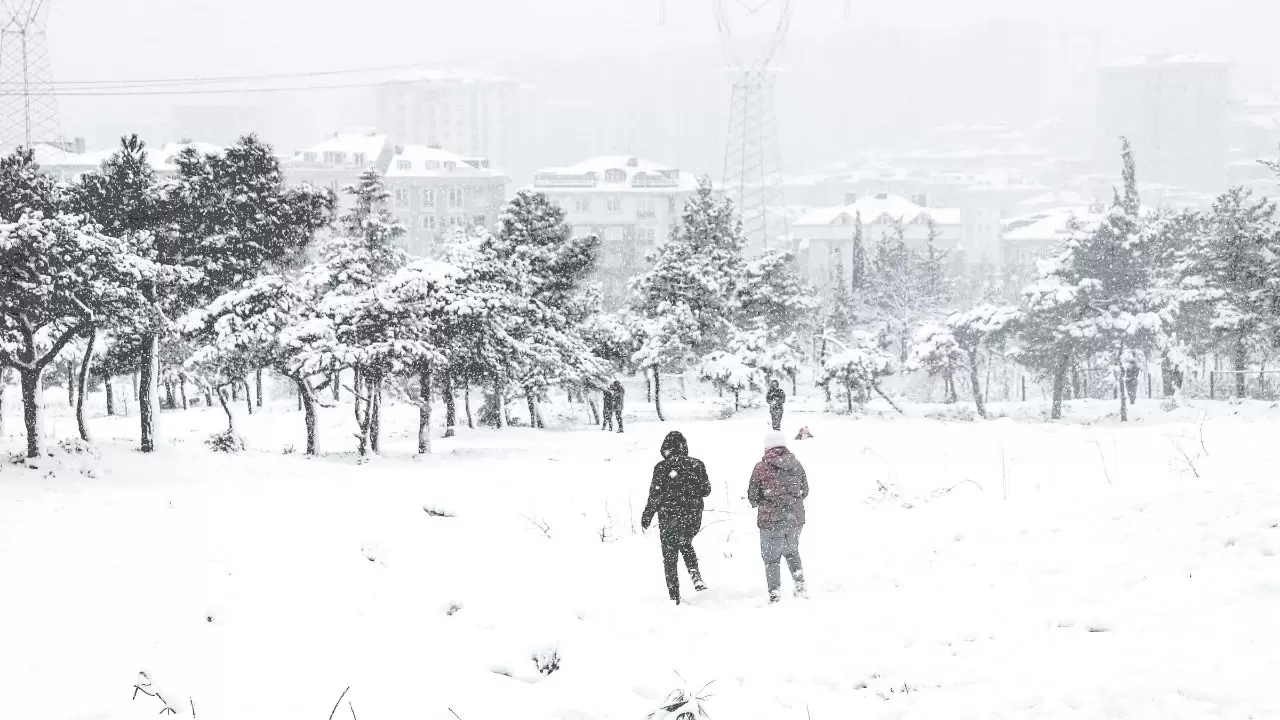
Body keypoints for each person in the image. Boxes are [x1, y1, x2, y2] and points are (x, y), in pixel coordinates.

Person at [641, 431, 711, 605]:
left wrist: (647, 516)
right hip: (692, 517)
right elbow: (706, 490)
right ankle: (694, 572)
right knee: (684, 541)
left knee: (670, 555)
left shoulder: (661, 468)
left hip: (669, 517)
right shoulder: (697, 464)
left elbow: (655, 496)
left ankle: (674, 597)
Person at [748, 430, 809, 604]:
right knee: (792, 552)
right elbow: (805, 490)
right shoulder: (796, 464)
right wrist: (791, 502)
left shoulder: (760, 468)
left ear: (767, 447)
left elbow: (753, 496)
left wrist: (766, 502)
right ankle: (800, 586)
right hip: (795, 519)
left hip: (770, 521)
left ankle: (775, 594)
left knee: (771, 559)